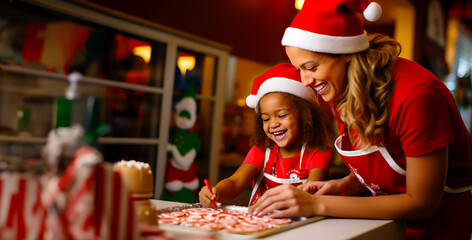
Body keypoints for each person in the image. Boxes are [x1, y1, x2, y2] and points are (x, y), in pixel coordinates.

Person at [248, 0, 472, 239]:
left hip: (441, 228)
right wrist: (345, 184)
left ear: (344, 51)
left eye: (311, 67)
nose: (305, 81)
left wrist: (315, 205)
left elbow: (422, 202)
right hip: (390, 227)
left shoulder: (416, 96)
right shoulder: (341, 90)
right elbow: (389, 162)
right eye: (299, 70)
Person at [199, 63, 334, 207]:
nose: (273, 124)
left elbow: (310, 192)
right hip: (260, 224)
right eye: (266, 119)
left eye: (281, 115)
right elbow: (235, 182)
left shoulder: (319, 153)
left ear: (305, 115)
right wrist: (216, 192)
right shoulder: (261, 151)